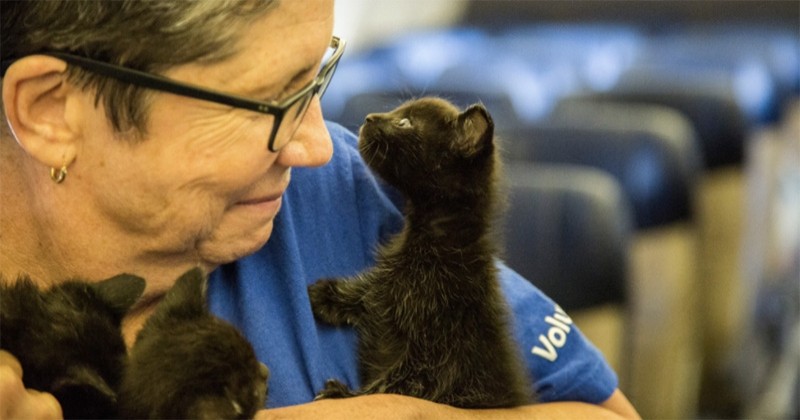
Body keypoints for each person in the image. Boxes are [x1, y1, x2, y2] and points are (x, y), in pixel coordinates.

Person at [0, 1, 640, 419]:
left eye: (316, 78)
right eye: (269, 101)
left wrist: (408, 415)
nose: (314, 143)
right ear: (52, 110)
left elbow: (608, 413)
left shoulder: (339, 193)